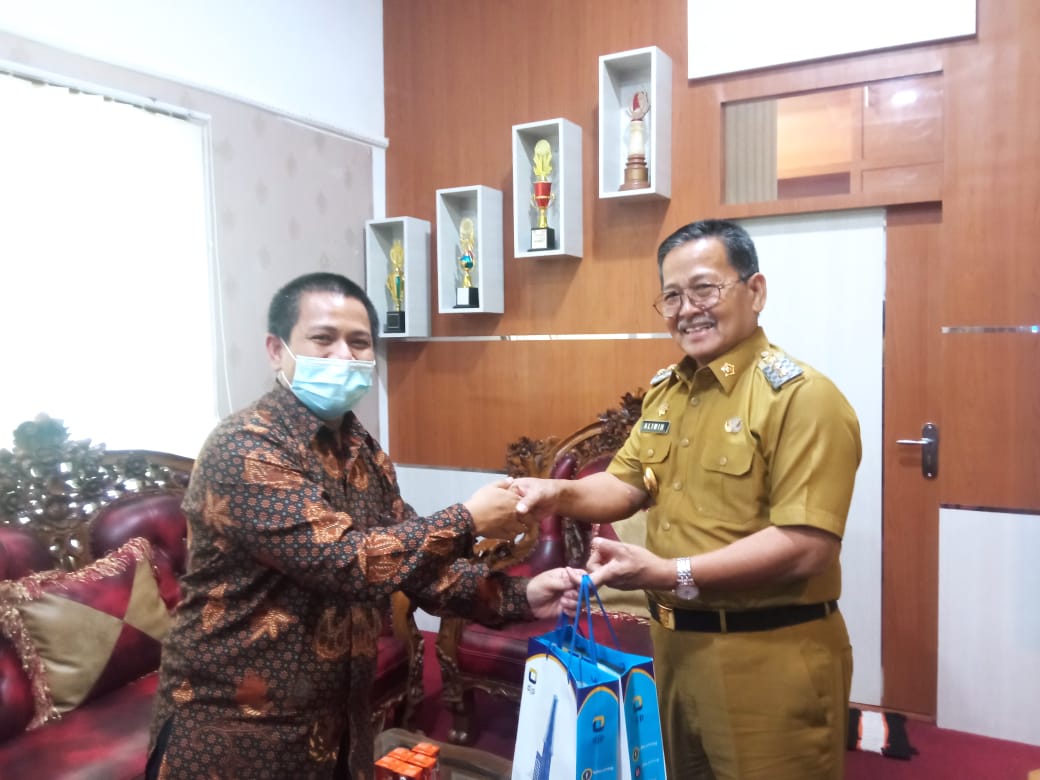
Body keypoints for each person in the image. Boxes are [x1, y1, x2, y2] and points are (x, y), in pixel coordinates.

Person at [147, 272, 582, 779]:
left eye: (358, 343)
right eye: (323, 339)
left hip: (339, 721)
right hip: (236, 732)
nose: (343, 356)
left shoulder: (362, 450)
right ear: (276, 350)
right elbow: (343, 563)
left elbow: (416, 565)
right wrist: (469, 519)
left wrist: (522, 596)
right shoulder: (244, 446)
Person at [513, 219, 862, 780]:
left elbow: (806, 546)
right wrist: (557, 492)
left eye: (705, 289)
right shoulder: (667, 393)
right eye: (672, 296)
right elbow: (625, 484)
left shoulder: (802, 399)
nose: (687, 309)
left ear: (755, 291)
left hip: (767, 657)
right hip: (674, 650)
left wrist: (667, 572)